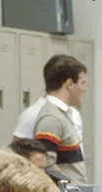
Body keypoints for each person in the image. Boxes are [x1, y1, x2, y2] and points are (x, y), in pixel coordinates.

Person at [32, 55, 88, 184]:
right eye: (82, 83)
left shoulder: (63, 115)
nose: (84, 89)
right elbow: (44, 165)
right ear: (68, 83)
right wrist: (71, 187)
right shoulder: (52, 119)